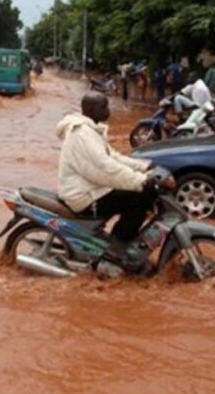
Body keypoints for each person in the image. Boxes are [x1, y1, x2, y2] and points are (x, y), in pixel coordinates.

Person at [56, 92, 160, 266]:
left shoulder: (92, 131)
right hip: (85, 196)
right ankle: (117, 248)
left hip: (93, 190)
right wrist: (140, 181)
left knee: (139, 193)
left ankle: (118, 241)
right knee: (140, 197)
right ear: (90, 109)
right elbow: (105, 169)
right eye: (103, 106)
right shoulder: (82, 134)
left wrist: (143, 166)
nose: (108, 110)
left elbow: (113, 157)